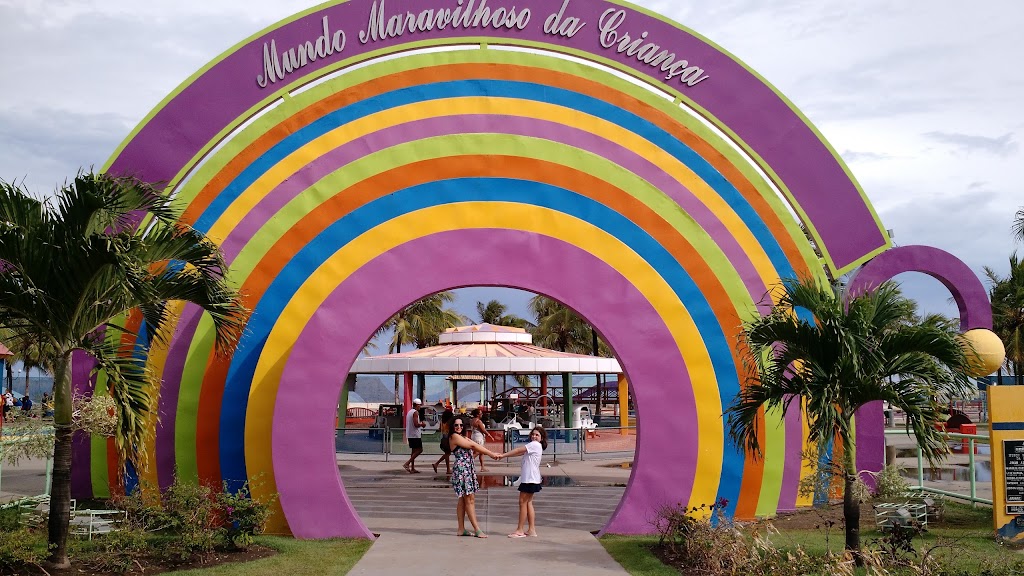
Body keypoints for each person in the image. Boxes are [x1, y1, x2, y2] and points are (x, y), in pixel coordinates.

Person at [448, 417, 500, 537]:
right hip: (463, 470)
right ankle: (477, 529)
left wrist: (491, 453)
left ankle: (461, 529)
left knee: (463, 499)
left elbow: (475, 445)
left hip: (467, 469)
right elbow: (472, 446)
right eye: (456, 425)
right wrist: (491, 454)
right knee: (469, 499)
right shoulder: (454, 436)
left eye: (461, 425)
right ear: (452, 426)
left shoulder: (462, 437)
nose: (459, 427)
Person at [499, 425, 548, 538]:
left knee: (522, 502)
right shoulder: (534, 446)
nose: (534, 436)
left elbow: (518, 450)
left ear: (541, 438)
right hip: (532, 478)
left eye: (537, 435)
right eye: (533, 434)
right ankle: (531, 529)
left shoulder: (534, 445)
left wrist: (503, 455)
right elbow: (519, 453)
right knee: (528, 503)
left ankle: (520, 530)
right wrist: (505, 456)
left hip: (530, 479)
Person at [403, 398, 426, 473]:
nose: (420, 407)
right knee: (420, 450)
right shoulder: (415, 412)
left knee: (413, 451)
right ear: (417, 405)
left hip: (410, 434)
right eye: (419, 405)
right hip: (415, 435)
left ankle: (412, 468)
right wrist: (422, 424)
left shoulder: (410, 412)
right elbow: (416, 424)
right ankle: (407, 463)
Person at [432, 408, 455, 475]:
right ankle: (437, 464)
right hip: (448, 439)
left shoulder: (442, 421)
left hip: (443, 438)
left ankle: (447, 469)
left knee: (447, 453)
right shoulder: (449, 422)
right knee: (448, 454)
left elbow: (440, 429)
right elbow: (451, 430)